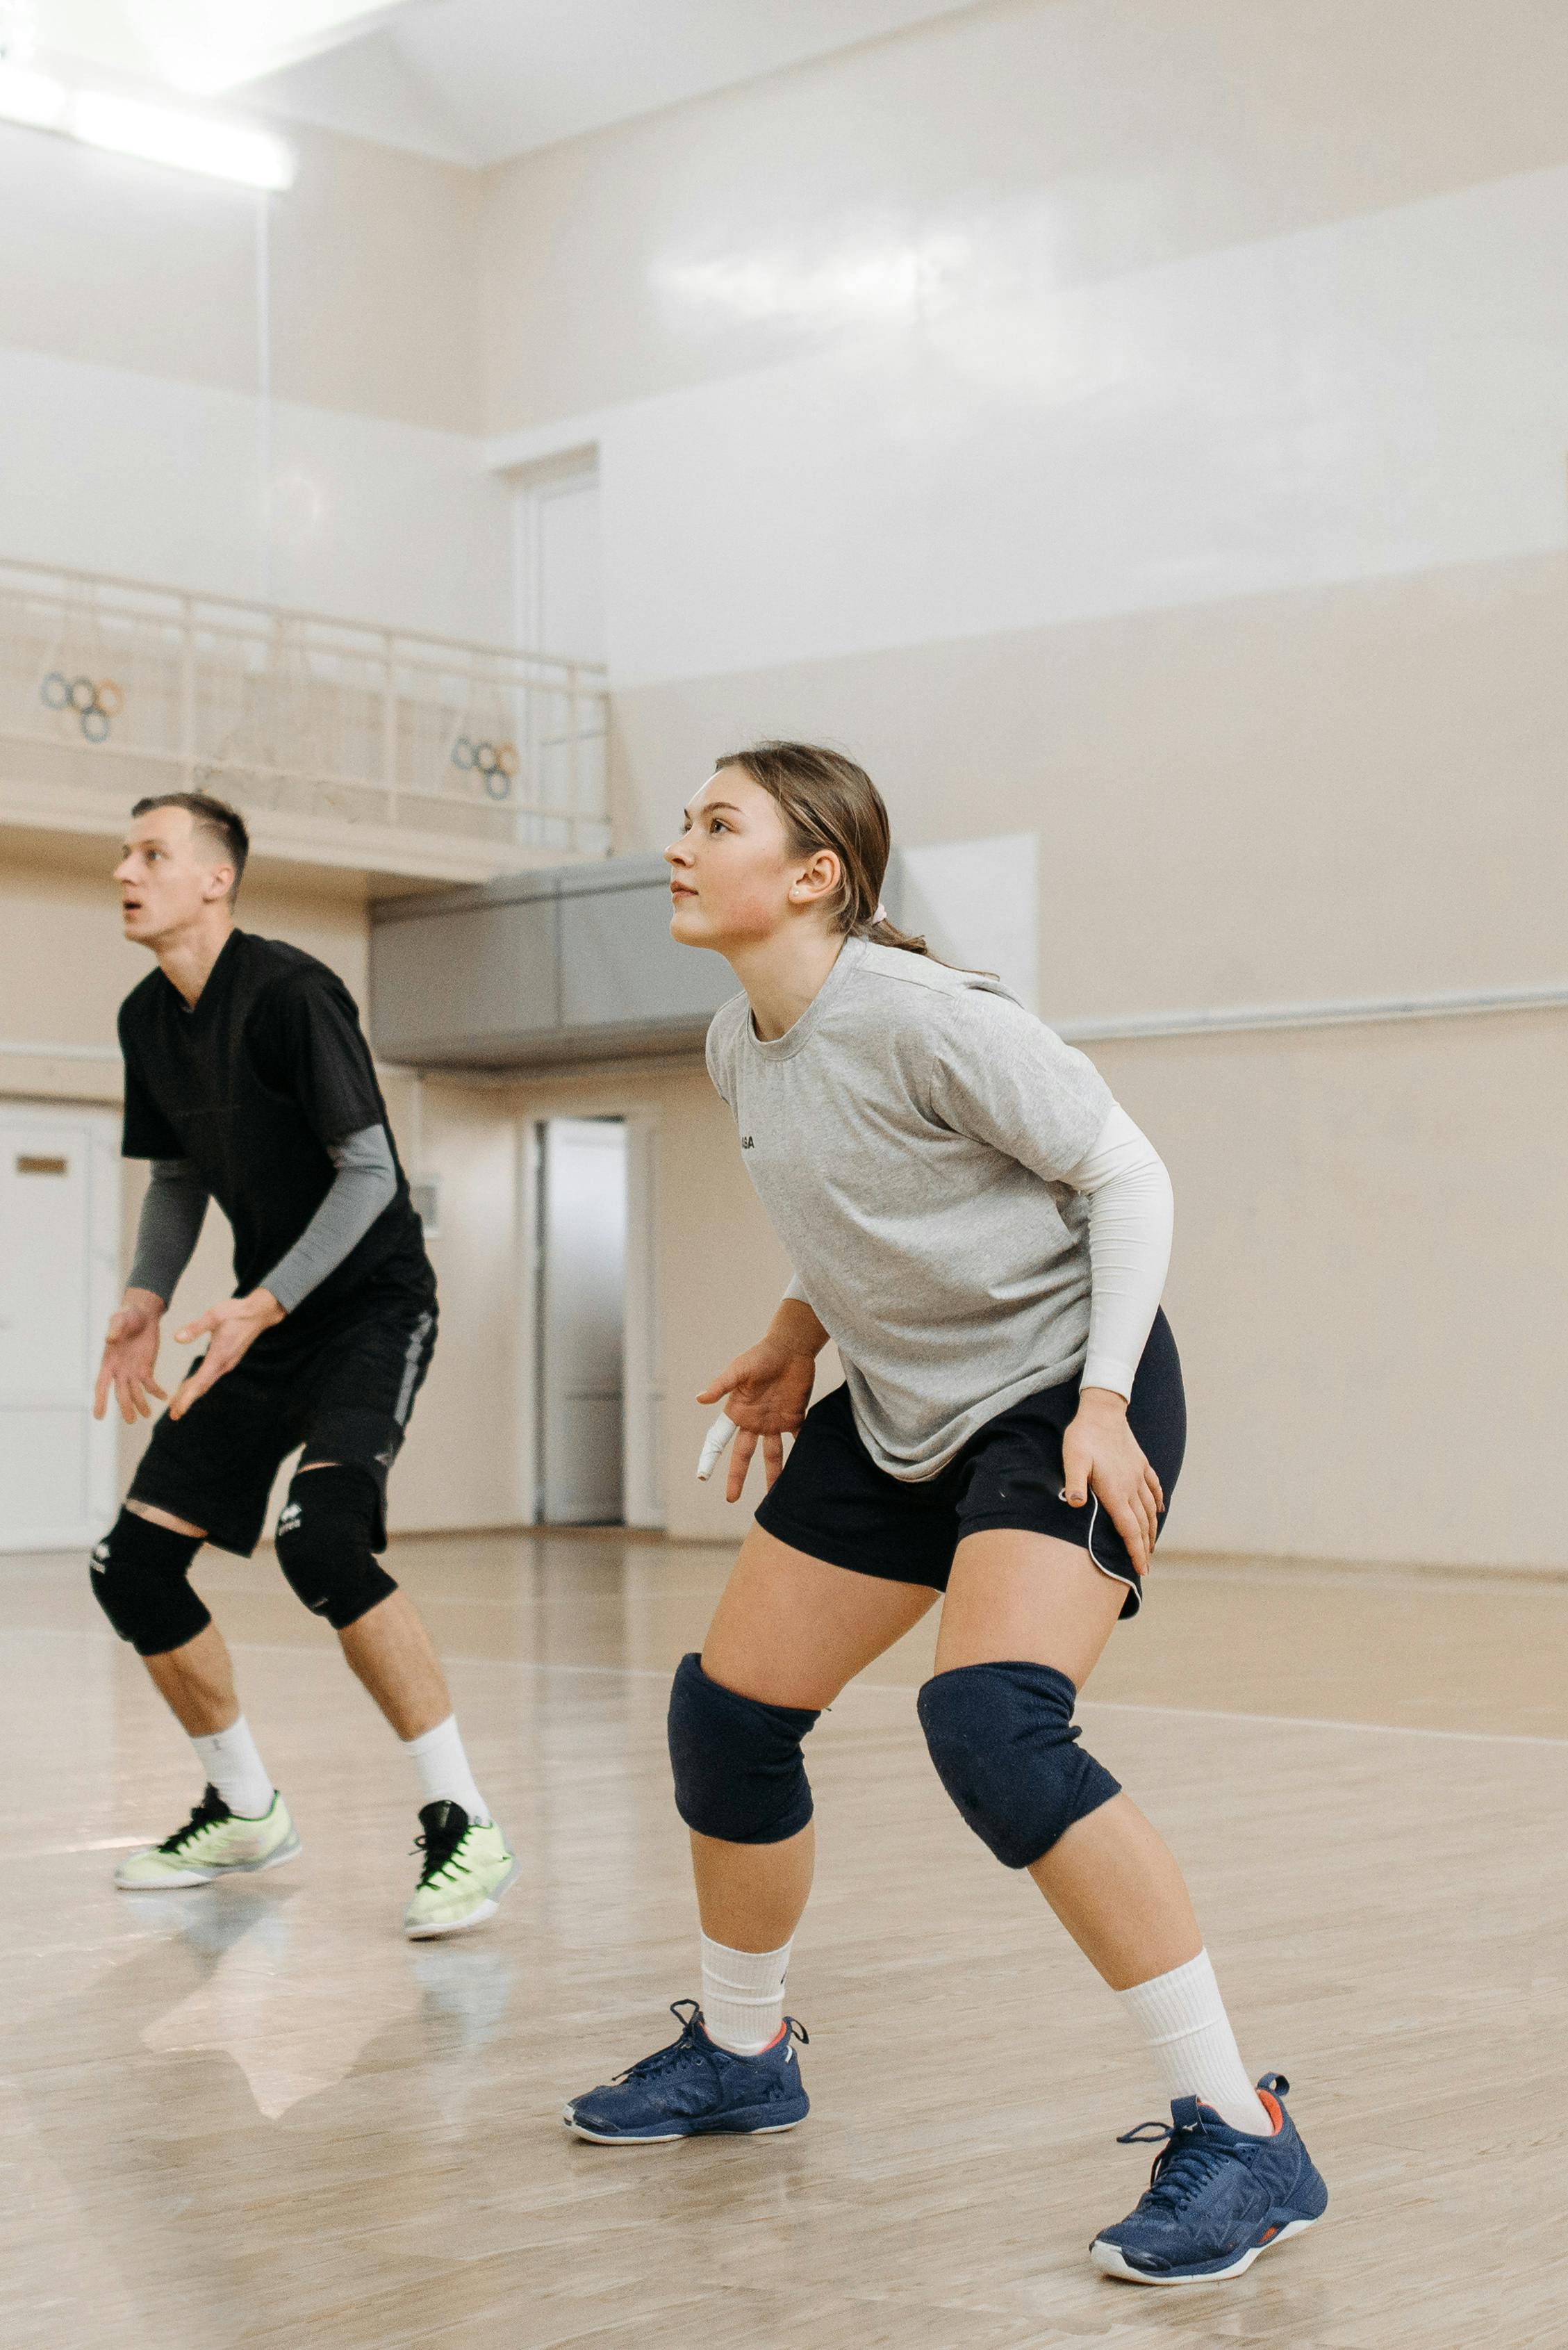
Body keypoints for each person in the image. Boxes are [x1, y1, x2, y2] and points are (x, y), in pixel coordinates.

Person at [563, 743, 1326, 2287]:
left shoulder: (923, 1014)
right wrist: (796, 1331)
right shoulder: (739, 1041)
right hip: (906, 1402)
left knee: (992, 1719)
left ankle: (1240, 2130)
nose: (678, 844)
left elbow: (1125, 1174)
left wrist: (1104, 1400)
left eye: (717, 823)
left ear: (813, 875)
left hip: (1062, 1384)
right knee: (728, 1715)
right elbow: (860, 1212)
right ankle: (741, 2048)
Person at [91, 791, 515, 1941]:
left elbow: (369, 1173)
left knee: (321, 1538)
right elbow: (179, 1179)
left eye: (151, 853)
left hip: (366, 1306)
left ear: (216, 878)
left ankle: (464, 1819)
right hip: (259, 1319)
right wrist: (145, 1294)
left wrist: (264, 1299)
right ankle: (243, 1807)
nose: (125, 870)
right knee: (131, 1566)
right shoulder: (147, 1018)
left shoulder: (291, 993)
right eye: (125, 853)